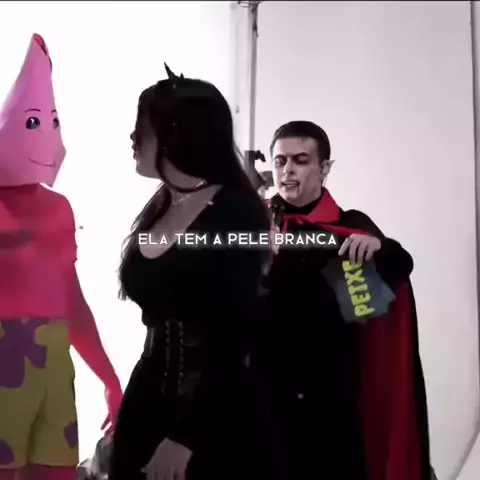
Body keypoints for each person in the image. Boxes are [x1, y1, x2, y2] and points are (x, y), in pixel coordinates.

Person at [109, 64, 281, 480]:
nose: (133, 138)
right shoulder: (163, 204)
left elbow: (235, 335)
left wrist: (185, 437)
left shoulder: (235, 212)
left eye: (142, 129)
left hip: (211, 416)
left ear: (177, 133)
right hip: (147, 401)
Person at [254, 120, 431, 480]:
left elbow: (399, 264)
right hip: (261, 399)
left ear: (324, 169)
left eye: (301, 160)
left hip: (330, 402)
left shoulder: (349, 225)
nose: (288, 170)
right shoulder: (252, 222)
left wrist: (378, 246)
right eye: (280, 161)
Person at [0, 34, 122, 480]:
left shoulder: (58, 209)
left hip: (54, 367)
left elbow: (69, 298)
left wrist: (108, 377)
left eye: (52, 122)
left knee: (56, 472)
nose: (47, 135)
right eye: (35, 122)